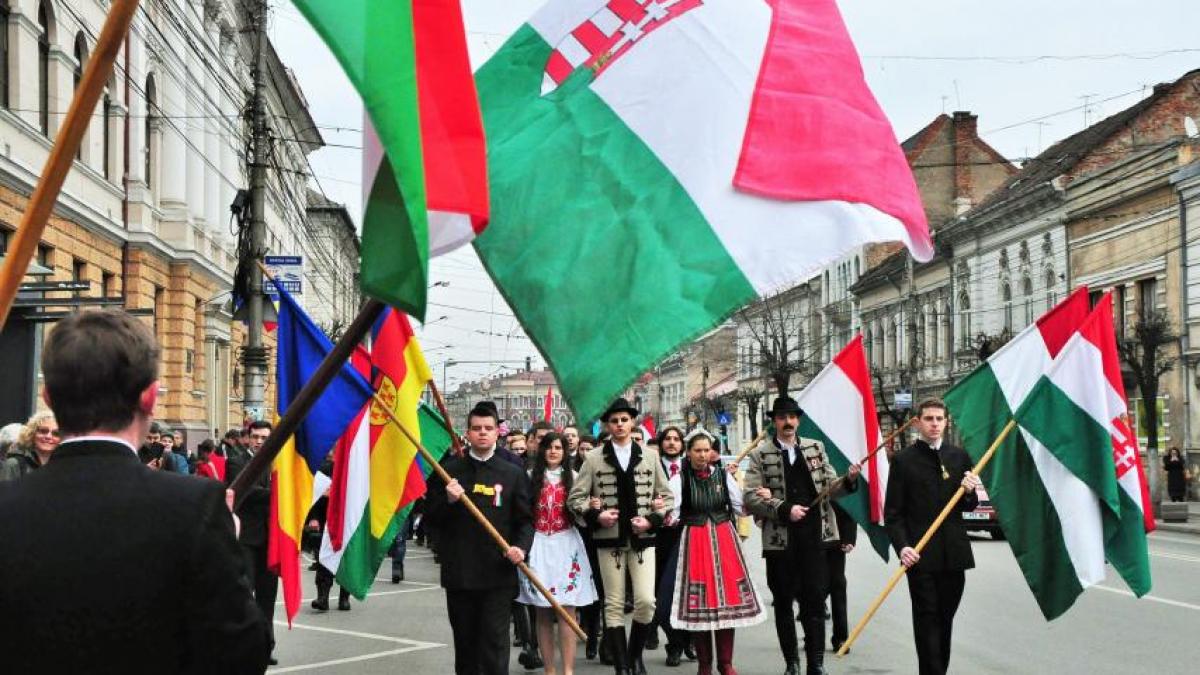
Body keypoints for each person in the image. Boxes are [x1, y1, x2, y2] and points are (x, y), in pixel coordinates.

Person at [0, 309, 268, 672]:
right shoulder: (194, 508)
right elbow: (243, 653)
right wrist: (226, 544)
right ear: (150, 397)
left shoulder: (7, 508)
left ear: (47, 397)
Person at [744, 397, 860, 675]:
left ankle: (815, 663)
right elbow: (750, 496)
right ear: (774, 421)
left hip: (815, 537)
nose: (788, 422)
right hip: (780, 541)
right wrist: (783, 508)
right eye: (782, 417)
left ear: (798, 420)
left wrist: (849, 480)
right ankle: (792, 663)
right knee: (783, 601)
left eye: (792, 417)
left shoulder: (815, 448)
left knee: (815, 601)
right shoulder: (760, 454)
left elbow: (831, 489)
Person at [424, 401, 534, 675]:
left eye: (488, 428)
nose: (482, 433)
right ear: (468, 433)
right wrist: (448, 500)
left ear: (498, 432)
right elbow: (430, 519)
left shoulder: (513, 472)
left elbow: (526, 521)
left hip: (498, 573)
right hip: (461, 573)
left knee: (495, 644)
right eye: (476, 428)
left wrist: (520, 548)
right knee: (466, 645)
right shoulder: (448, 471)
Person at [569, 398, 674, 675]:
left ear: (632, 422)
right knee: (614, 603)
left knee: (645, 601)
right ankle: (623, 666)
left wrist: (651, 518)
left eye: (624, 420)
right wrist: (596, 516)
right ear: (608, 424)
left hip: (643, 538)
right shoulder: (593, 458)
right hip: (609, 539)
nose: (619, 425)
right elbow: (575, 499)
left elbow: (667, 497)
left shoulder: (650, 456)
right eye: (614, 421)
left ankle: (634, 654)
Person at [885, 398, 981, 675]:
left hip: (954, 555)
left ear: (946, 422)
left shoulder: (959, 456)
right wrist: (903, 547)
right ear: (917, 423)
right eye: (929, 419)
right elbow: (893, 514)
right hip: (920, 555)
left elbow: (968, 507)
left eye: (940, 419)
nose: (935, 424)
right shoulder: (904, 461)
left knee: (945, 620)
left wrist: (970, 491)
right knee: (927, 619)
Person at [668, 431, 765, 675]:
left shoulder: (724, 475)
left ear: (712, 452)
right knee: (701, 605)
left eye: (706, 450)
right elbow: (671, 515)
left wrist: (756, 497)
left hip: (724, 541)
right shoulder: (679, 480)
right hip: (695, 542)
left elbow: (740, 507)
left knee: (727, 602)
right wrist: (662, 511)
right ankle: (704, 664)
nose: (702, 455)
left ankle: (726, 663)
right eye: (697, 450)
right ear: (688, 452)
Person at [517, 432, 599, 675]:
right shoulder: (531, 478)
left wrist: (590, 508)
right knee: (542, 610)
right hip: (539, 545)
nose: (553, 451)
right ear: (541, 450)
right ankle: (550, 669)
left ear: (565, 452)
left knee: (567, 610)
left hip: (566, 545)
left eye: (558, 447)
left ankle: (569, 670)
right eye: (549, 447)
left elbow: (583, 515)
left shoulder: (574, 478)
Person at [226, 419, 279, 665]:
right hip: (246, 538)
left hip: (271, 539)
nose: (259, 442)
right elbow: (244, 492)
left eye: (264, 438)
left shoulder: (277, 463)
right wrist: (280, 494)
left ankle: (266, 647)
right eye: (256, 437)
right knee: (245, 595)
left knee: (267, 598)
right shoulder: (237, 461)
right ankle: (243, 647)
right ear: (248, 437)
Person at [651, 426, 692, 666]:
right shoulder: (653, 466)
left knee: (687, 593)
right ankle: (674, 642)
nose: (672, 443)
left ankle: (687, 641)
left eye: (677, 439)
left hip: (687, 534)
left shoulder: (691, 469)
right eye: (668, 439)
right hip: (660, 536)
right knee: (662, 594)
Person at [824, 501, 857, 652]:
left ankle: (841, 637)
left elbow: (848, 504)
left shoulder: (838, 477)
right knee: (811, 589)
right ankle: (811, 636)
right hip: (808, 539)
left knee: (838, 586)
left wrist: (849, 538)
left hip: (835, 539)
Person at [0, 410, 59, 481]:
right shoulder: (14, 464)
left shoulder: (63, 466)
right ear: (32, 434)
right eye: (43, 431)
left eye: (56, 433)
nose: (48, 436)